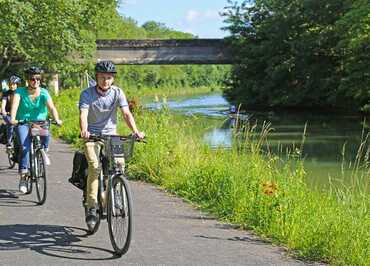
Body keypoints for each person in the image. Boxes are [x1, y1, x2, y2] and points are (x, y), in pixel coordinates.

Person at [79, 60, 144, 229]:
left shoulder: (117, 93)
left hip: (111, 136)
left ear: (113, 79)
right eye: (102, 77)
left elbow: (126, 114)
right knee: (94, 167)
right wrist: (84, 130)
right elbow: (83, 114)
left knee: (119, 165)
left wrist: (136, 131)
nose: (105, 81)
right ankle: (92, 207)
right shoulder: (87, 94)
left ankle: (115, 195)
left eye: (109, 78)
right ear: (96, 77)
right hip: (92, 136)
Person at [10, 66, 62, 194]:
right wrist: (12, 118)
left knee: (46, 136)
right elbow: (15, 106)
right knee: (24, 146)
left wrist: (57, 119)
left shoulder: (44, 92)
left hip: (39, 123)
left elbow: (52, 108)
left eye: (38, 79)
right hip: (24, 123)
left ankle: (42, 151)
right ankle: (23, 176)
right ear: (28, 80)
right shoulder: (20, 92)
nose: (36, 81)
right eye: (33, 79)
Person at [2, 75, 21, 148]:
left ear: (17, 85)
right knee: (10, 123)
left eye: (13, 84)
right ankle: (9, 142)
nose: (11, 86)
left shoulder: (21, 93)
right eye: (10, 84)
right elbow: (3, 103)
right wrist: (3, 110)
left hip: (19, 114)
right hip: (8, 114)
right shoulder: (6, 93)